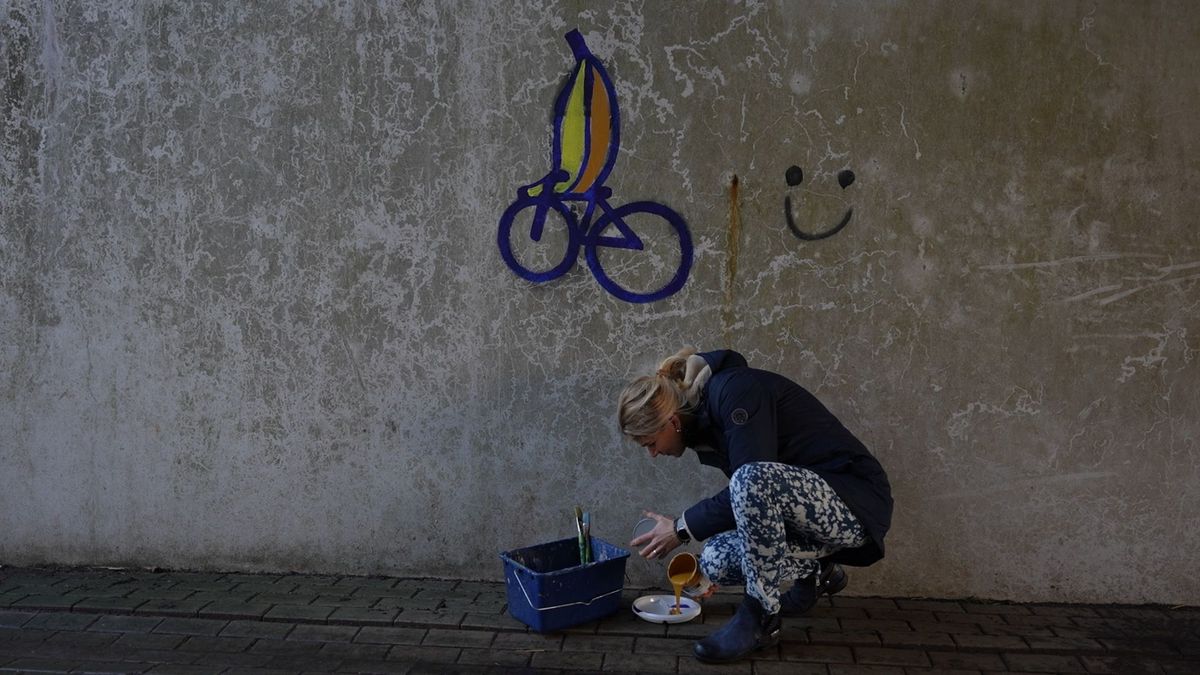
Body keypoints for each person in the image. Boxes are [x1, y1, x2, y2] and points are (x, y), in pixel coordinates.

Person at [620, 347, 893, 664]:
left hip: (855, 501)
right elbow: (753, 509)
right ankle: (817, 572)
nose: (653, 454)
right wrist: (702, 570)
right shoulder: (704, 424)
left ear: (671, 422)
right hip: (810, 515)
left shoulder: (735, 391)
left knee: (749, 478)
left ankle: (761, 618)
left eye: (650, 443)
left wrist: (680, 527)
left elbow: (751, 482)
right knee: (715, 559)